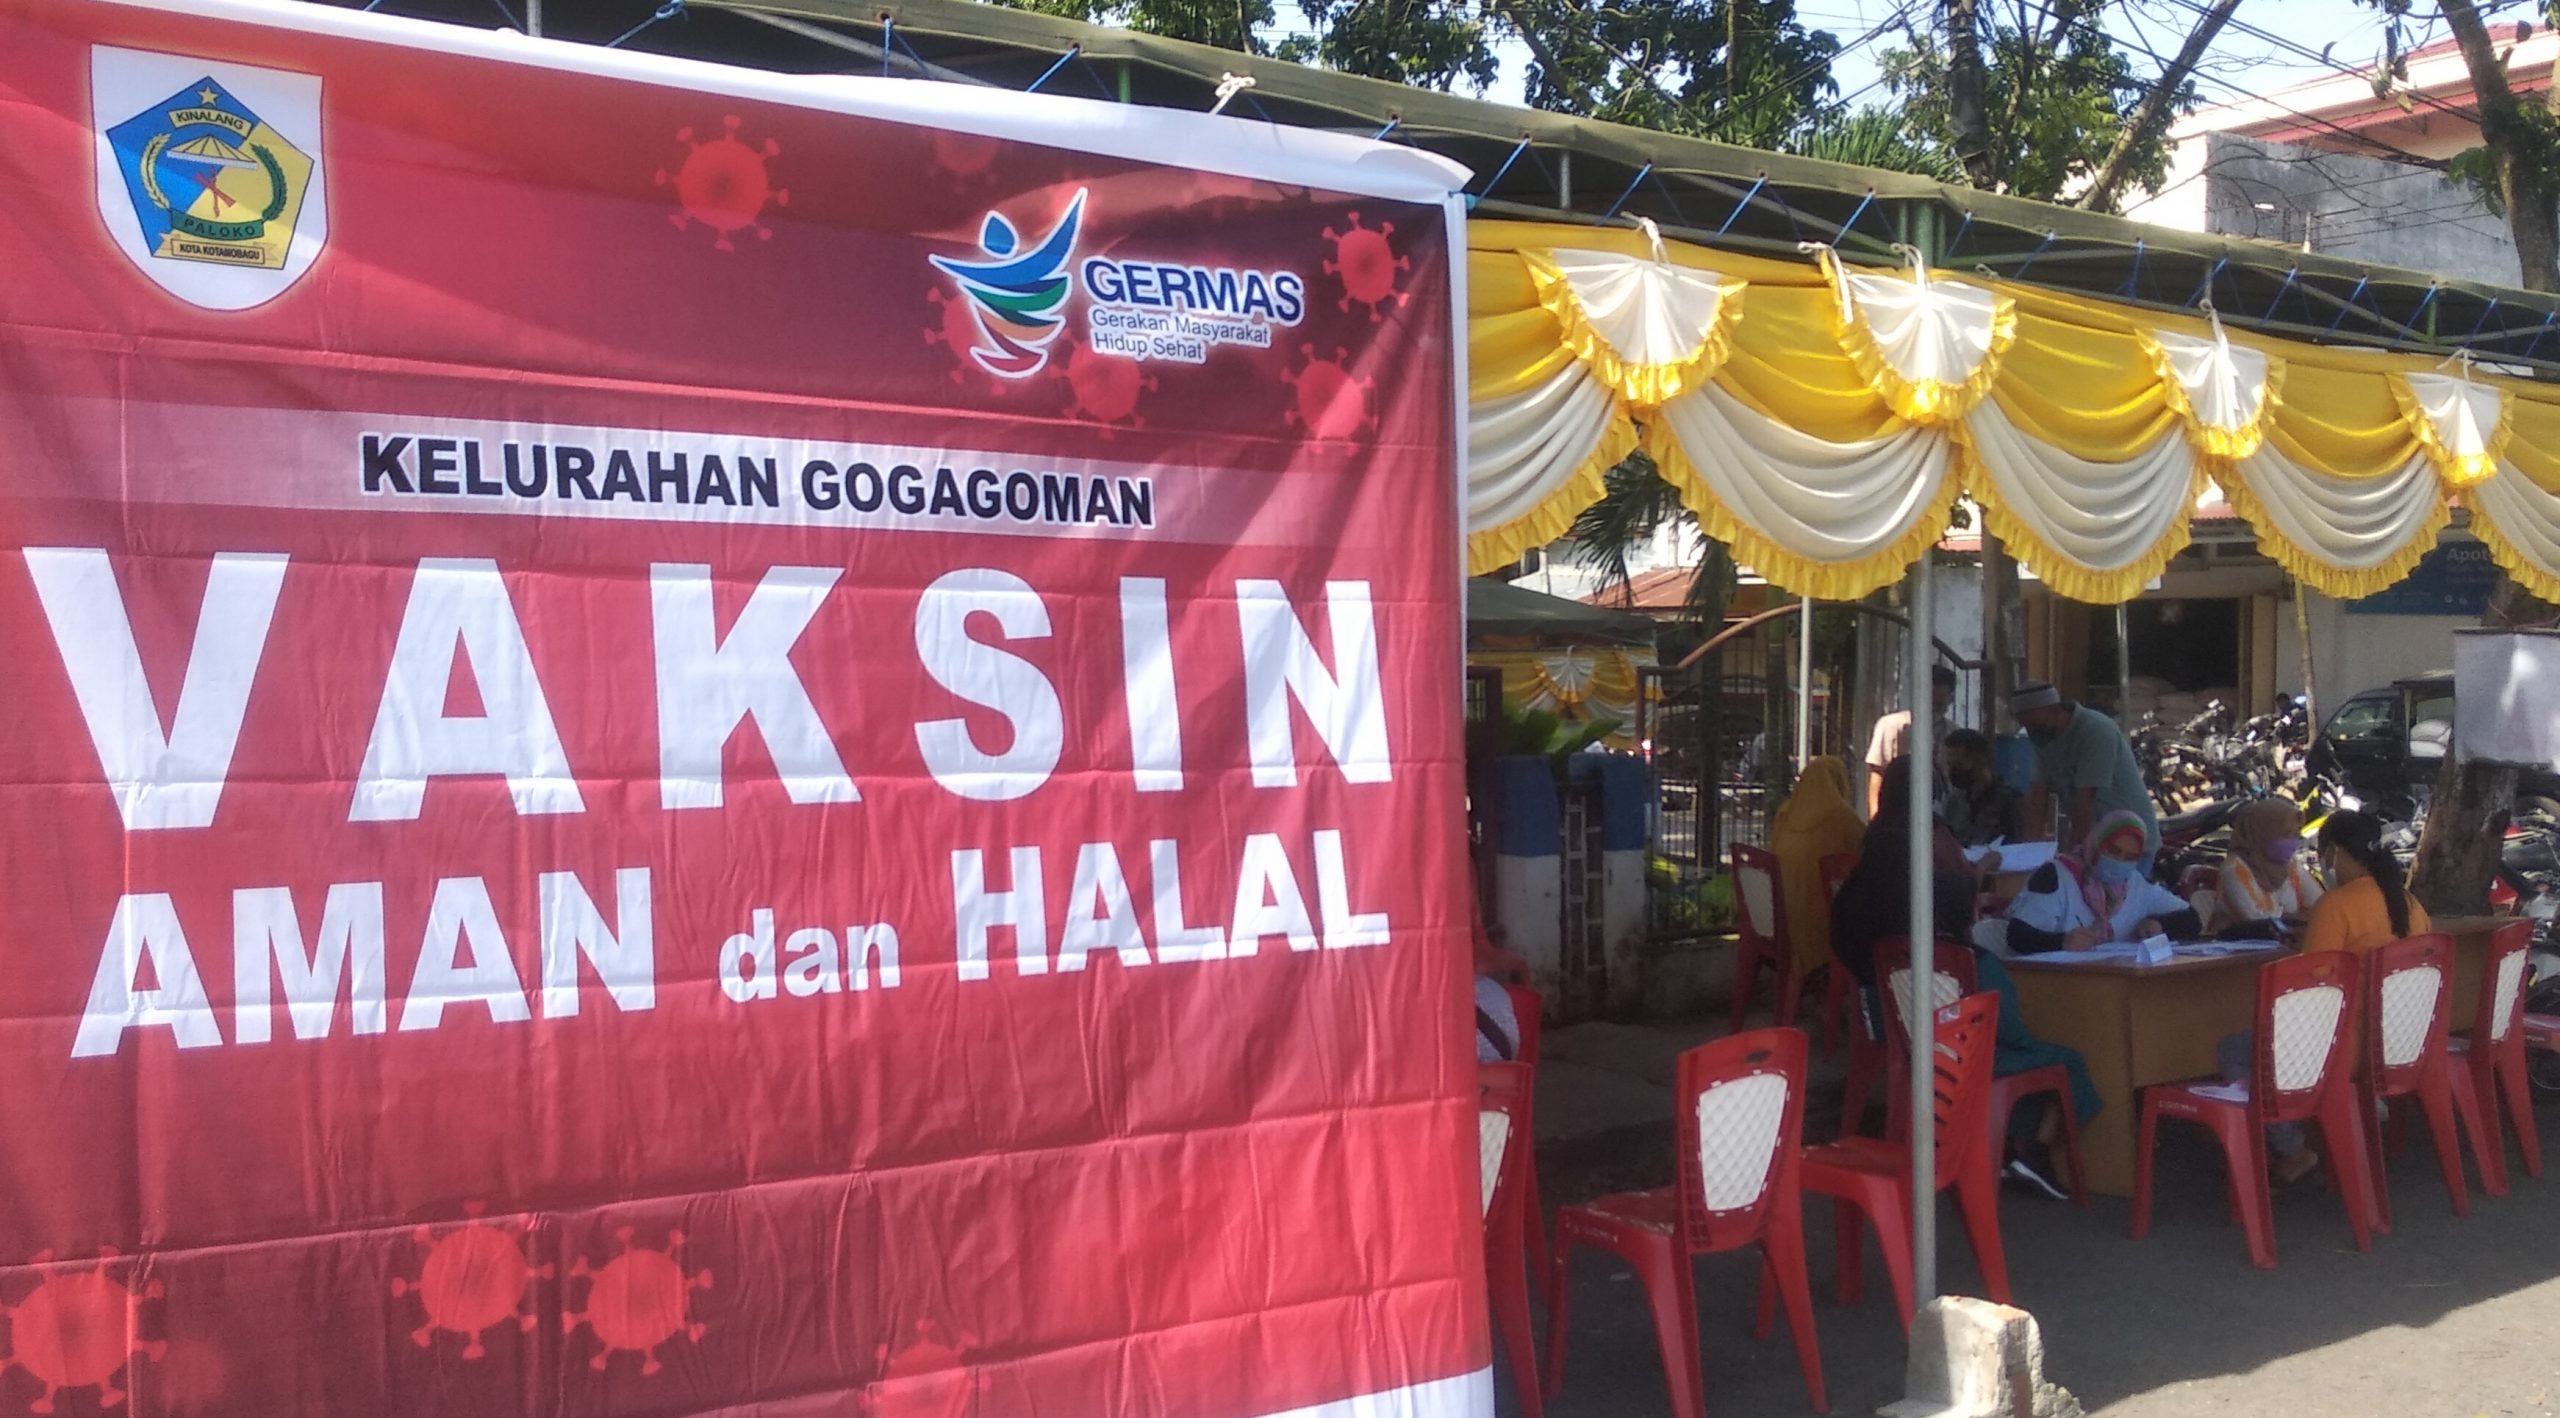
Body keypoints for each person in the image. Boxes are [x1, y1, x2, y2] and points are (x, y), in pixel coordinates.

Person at [1836, 760, 2096, 1199]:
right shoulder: (1967, 960)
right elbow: (2009, 1030)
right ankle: (2028, 1152)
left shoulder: (1860, 888)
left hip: (1888, 1030)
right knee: (2060, 1060)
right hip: (1959, 1049)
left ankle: (2004, 1150)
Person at [2214, 809, 2426, 1184]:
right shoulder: (2411, 905)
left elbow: (2312, 991)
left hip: (2344, 1049)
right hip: (2403, 1045)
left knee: (2234, 1048)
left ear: (2335, 853)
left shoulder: (2337, 906)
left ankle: (2292, 1149)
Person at [1994, 809, 2201, 955]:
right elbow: (2018, 935)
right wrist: (2061, 942)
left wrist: (2159, 924)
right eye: (2113, 850)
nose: (2119, 861)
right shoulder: (2055, 875)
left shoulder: (2135, 884)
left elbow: (2192, 920)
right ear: (2096, 844)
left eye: (2130, 857)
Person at [2012, 680, 2157, 859]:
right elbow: (2037, 795)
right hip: (2094, 841)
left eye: (2035, 725)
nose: (2032, 731)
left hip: (2128, 843)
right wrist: (2026, 854)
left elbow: (2085, 801)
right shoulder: (2045, 738)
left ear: (2054, 709)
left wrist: (2072, 856)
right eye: (2027, 727)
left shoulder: (2095, 731)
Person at [1768, 756, 1868, 996]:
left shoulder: (1785, 814)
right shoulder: (1841, 816)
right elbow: (1865, 852)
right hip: (1822, 923)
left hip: (1778, 918)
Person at [2214, 798, 2323, 935]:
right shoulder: (2233, 869)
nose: (2293, 843)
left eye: (2296, 835)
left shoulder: (2291, 865)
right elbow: (2257, 921)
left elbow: (2321, 905)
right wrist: (2298, 918)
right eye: (2286, 835)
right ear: (2262, 833)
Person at [1867, 663, 1959, 816]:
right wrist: (1875, 816)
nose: (1933, 708)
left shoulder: (1953, 732)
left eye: (1939, 703)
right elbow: (1877, 774)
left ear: (1951, 699)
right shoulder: (1891, 726)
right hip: (1897, 811)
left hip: (1942, 813)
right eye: (1930, 701)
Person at [1941, 728, 2023, 849]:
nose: (1953, 771)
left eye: (1959, 764)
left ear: (1981, 760)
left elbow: (2019, 844)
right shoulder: (1954, 802)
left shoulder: (2010, 802)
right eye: (1950, 765)